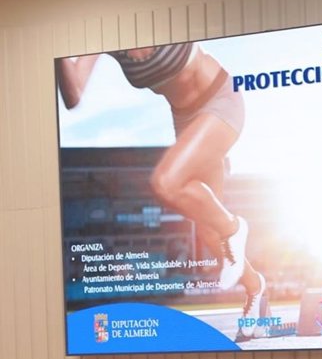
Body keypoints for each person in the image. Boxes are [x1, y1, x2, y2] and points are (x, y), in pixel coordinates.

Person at [56, 43, 266, 338]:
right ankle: (255, 288)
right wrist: (57, 46)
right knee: (208, 231)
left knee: (166, 182)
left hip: (219, 100)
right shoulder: (103, 40)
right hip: (185, 121)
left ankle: (234, 227)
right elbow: (73, 95)